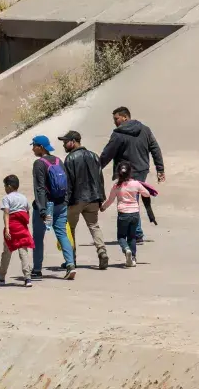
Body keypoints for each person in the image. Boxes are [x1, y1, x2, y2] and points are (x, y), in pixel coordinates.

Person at [99, 106, 165, 244]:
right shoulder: (145, 129)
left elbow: (107, 153)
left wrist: (96, 168)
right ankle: (136, 233)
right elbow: (155, 148)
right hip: (142, 170)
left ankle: (136, 233)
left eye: (116, 119)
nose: (115, 122)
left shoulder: (118, 134)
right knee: (133, 198)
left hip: (126, 172)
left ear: (125, 117)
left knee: (127, 200)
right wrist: (160, 169)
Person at [60, 130, 109, 270]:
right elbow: (100, 179)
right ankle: (102, 251)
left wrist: (66, 201)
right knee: (94, 226)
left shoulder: (70, 159)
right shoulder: (94, 156)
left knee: (70, 228)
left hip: (76, 199)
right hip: (93, 198)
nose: (64, 145)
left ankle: (71, 259)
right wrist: (101, 198)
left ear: (74, 141)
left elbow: (68, 183)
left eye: (65, 142)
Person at [30, 135, 76, 280]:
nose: (33, 149)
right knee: (62, 234)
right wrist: (66, 201)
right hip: (61, 204)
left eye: (34, 146)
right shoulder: (58, 160)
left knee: (38, 237)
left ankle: (37, 270)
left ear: (41, 147)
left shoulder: (39, 164)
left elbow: (40, 189)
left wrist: (42, 209)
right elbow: (67, 183)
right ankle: (70, 264)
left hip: (46, 206)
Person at [101, 161, 153, 268]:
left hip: (123, 214)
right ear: (130, 172)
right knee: (132, 237)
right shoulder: (136, 184)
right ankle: (133, 258)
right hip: (135, 213)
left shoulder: (117, 186)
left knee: (121, 237)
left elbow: (110, 200)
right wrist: (140, 189)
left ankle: (126, 249)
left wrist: (103, 208)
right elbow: (147, 194)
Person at [0, 174, 35, 287]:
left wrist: (7, 229)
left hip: (12, 227)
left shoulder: (7, 198)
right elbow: (26, 213)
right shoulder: (24, 198)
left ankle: (1, 276)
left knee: (7, 252)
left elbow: (6, 213)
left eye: (5, 186)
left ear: (9, 186)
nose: (5, 188)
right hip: (22, 228)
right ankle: (27, 278)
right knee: (23, 252)